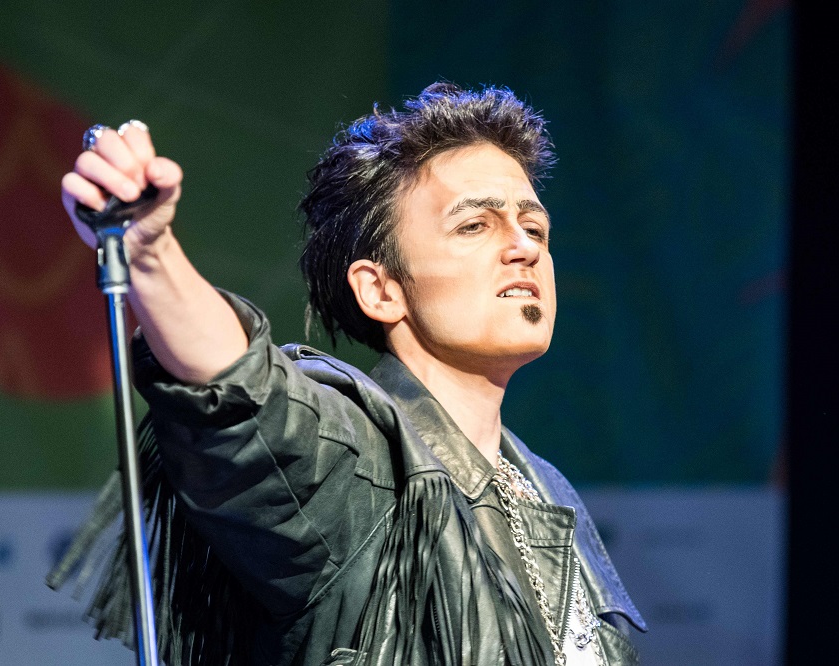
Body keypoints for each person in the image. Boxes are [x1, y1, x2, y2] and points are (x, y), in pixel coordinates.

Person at [49, 82, 647, 666]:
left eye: (535, 228)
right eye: (474, 226)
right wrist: (152, 255)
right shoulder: (354, 461)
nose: (524, 247)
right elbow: (244, 393)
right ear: (381, 290)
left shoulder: (545, 490)